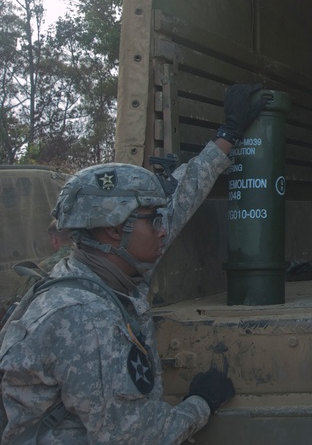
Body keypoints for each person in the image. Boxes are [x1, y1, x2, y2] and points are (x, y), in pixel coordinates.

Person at [0, 84, 267, 445]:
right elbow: (139, 438)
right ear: (114, 230)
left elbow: (177, 203)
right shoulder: (85, 317)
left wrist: (227, 136)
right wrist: (201, 403)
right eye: (151, 219)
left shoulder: (96, 269)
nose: (163, 229)